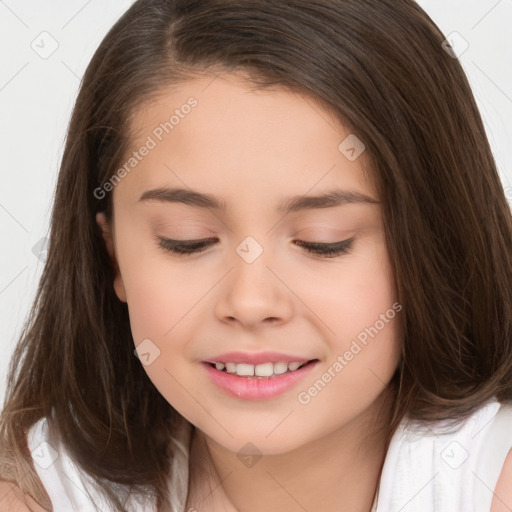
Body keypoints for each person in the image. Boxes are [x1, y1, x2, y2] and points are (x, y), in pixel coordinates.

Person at [1, 1, 512, 511]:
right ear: (114, 256)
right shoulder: (36, 491)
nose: (249, 302)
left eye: (322, 240)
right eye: (188, 240)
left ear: (433, 244)